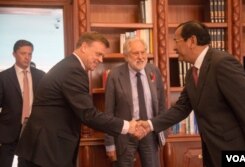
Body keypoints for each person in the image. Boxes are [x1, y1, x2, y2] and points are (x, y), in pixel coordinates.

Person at [15, 32, 141, 167]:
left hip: (44, 149)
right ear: (84, 47)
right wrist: (127, 126)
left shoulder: (70, 66)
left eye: (102, 56)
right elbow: (88, 114)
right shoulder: (73, 70)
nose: (101, 60)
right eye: (98, 54)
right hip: (46, 151)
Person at [138, 20, 245, 167]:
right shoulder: (192, 73)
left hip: (235, 151)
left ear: (192, 41)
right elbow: (182, 108)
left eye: (176, 41)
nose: (174, 46)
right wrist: (150, 124)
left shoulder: (222, 63)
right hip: (211, 151)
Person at [104, 37, 166, 167]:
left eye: (143, 52)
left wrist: (163, 132)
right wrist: (110, 144)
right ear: (126, 56)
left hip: (149, 132)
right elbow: (108, 112)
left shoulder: (154, 71)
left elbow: (161, 105)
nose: (141, 57)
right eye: (136, 53)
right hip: (125, 134)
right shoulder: (115, 75)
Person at [0, 40, 45, 167]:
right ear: (14, 54)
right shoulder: (3, 77)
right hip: (7, 131)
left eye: (30, 54)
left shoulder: (41, 76)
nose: (27, 57)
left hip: (32, 129)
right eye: (23, 53)